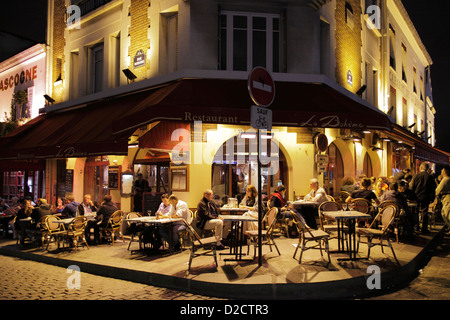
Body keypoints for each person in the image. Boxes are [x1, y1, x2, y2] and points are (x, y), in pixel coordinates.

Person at [410, 162, 436, 234]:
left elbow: (411, 187)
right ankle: (424, 228)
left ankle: (416, 227)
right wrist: (432, 198)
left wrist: (412, 196)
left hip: (416, 197)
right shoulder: (430, 177)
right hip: (426, 197)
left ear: (420, 168)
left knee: (416, 212)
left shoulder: (416, 176)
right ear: (427, 169)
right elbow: (433, 188)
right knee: (424, 212)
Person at [435, 166, 450, 232]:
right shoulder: (447, 179)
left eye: (442, 171)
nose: (441, 172)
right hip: (447, 198)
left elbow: (437, 190)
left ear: (445, 172)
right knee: (445, 213)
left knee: (446, 214)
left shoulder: (445, 179)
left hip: (447, 199)